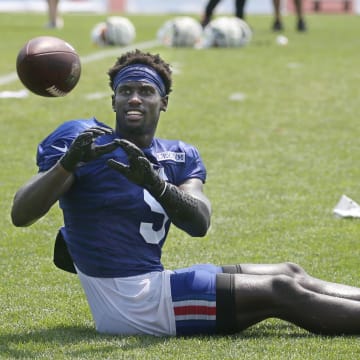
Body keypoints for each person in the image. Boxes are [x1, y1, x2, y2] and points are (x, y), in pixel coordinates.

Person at [11, 49, 360, 336]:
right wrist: (67, 164)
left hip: (154, 284)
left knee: (289, 272)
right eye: (125, 90)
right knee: (280, 292)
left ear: (163, 102)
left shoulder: (179, 154)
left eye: (146, 92)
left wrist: (156, 184)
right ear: (113, 99)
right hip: (132, 302)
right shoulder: (85, 141)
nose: (134, 98)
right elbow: (21, 214)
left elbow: (199, 222)